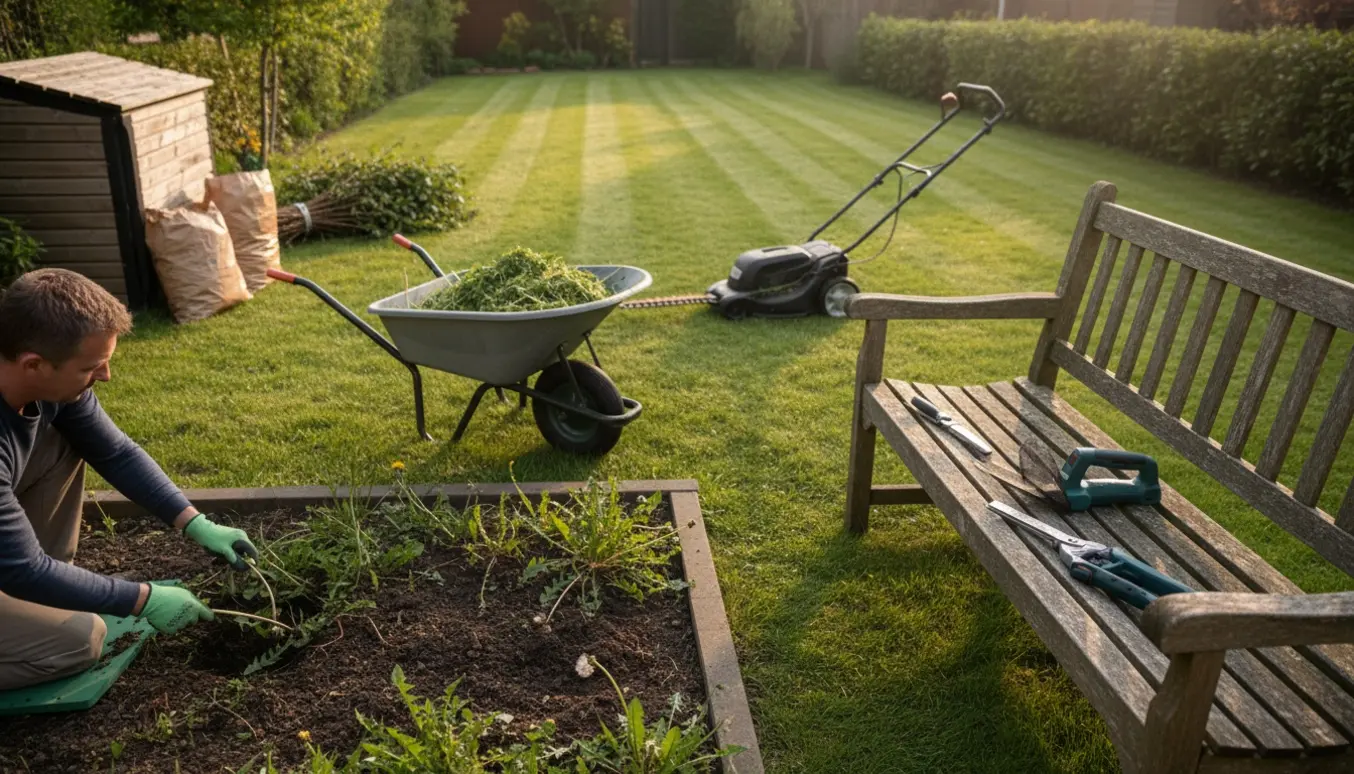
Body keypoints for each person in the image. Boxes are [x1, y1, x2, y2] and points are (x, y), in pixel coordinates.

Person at [0, 268, 258, 690]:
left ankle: (41, 590)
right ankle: (36, 597)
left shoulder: (47, 388)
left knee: (69, 440)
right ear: (34, 364)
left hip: (13, 563)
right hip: (16, 567)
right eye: (92, 366)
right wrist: (142, 598)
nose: (105, 376)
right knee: (79, 641)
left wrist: (195, 522)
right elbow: (23, 568)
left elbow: (115, 451)